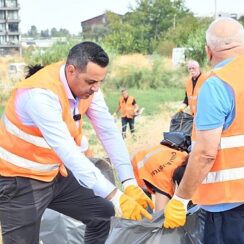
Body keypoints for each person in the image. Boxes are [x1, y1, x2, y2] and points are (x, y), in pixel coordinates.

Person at [0, 41, 154, 244]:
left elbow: (108, 132)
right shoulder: (39, 95)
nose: (96, 88)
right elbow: (70, 153)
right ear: (71, 70)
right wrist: (117, 197)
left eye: (99, 82)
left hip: (54, 175)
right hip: (18, 180)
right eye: (91, 82)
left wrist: (129, 182)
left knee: (103, 213)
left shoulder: (87, 89)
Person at [163, 17, 244, 244]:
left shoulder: (218, 83)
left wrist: (180, 199)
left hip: (231, 206)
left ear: (208, 52)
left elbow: (206, 153)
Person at [131, 132, 190, 211]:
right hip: (136, 173)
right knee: (144, 213)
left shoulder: (184, 158)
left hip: (154, 160)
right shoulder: (165, 182)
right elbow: (160, 212)